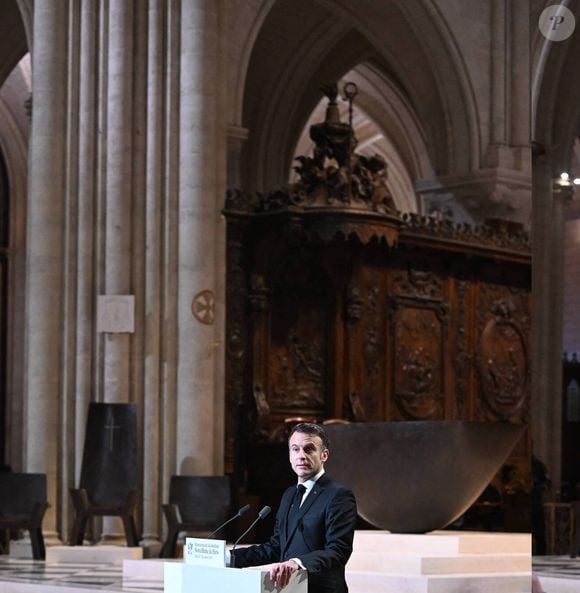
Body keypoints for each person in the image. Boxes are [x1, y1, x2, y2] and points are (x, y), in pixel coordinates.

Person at [232, 422, 357, 593]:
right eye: (295, 449)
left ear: (324, 455)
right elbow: (277, 547)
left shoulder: (338, 495)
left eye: (309, 449)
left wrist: (297, 563)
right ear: (290, 455)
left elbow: (338, 550)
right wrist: (229, 558)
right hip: (289, 589)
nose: (301, 455)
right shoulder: (289, 494)